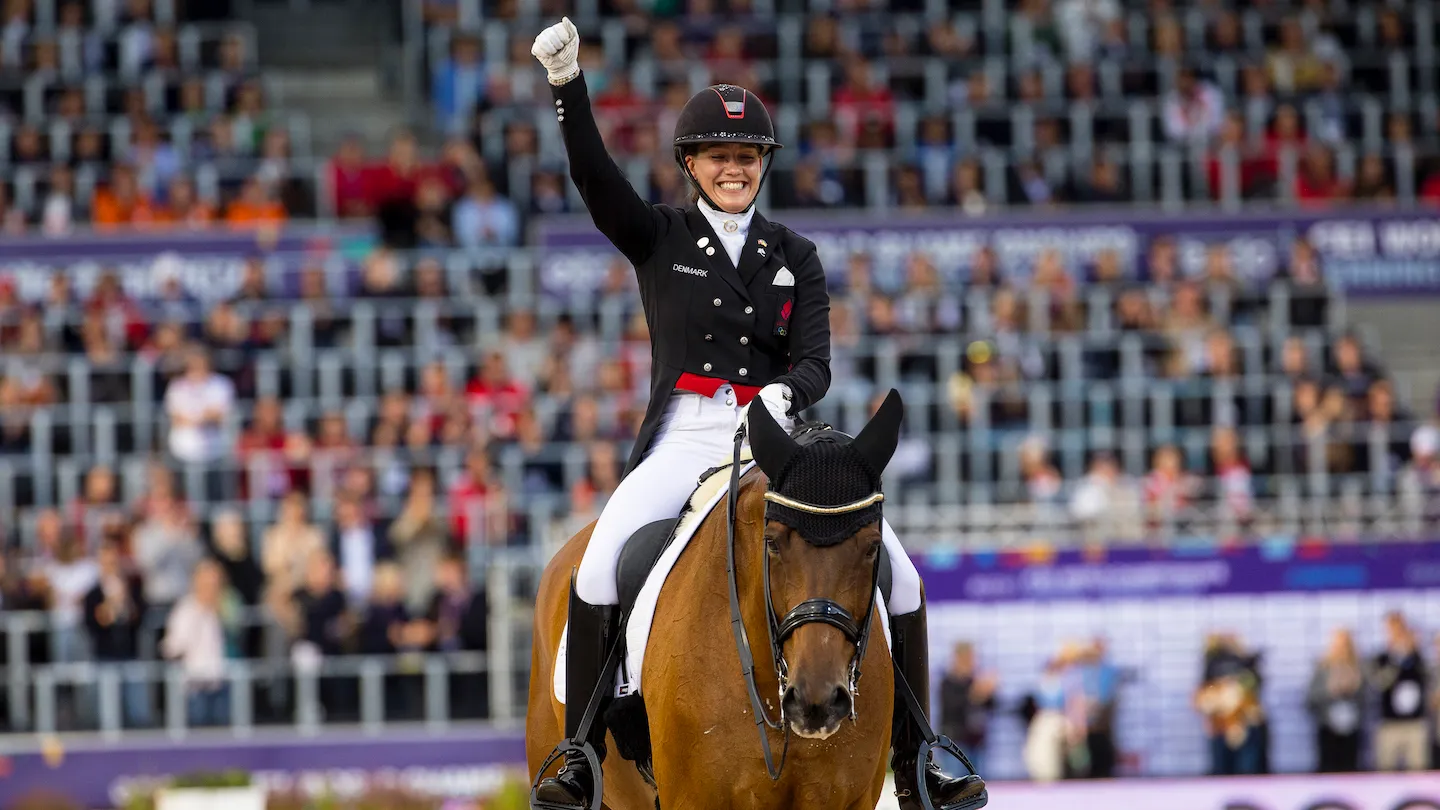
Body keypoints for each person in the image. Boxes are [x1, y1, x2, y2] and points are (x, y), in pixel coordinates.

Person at [529, 17, 983, 810]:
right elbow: (599, 186)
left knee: (902, 576)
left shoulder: (793, 254)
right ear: (692, 164)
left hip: (778, 440)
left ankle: (920, 761)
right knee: (599, 565)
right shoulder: (660, 237)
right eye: (718, 157)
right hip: (685, 437)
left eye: (745, 157)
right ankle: (581, 753)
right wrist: (569, 91)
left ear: (761, 165)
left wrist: (786, 395)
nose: (733, 169)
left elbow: (816, 361)